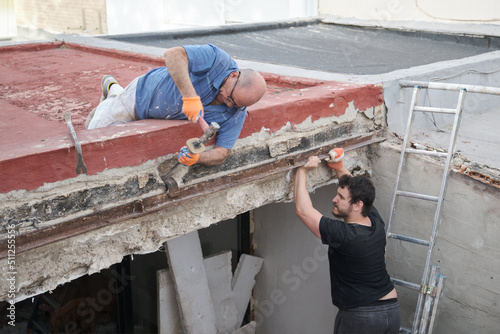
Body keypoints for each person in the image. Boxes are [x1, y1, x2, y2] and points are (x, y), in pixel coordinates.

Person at [85, 44, 267, 167]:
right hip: (141, 95)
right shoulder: (216, 59)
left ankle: (115, 90)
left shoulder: (236, 112)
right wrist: (189, 97)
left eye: (236, 105)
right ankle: (114, 95)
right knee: (92, 134)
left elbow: (222, 153)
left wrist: (197, 157)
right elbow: (172, 54)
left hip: (159, 114)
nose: (229, 104)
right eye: (230, 98)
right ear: (234, 75)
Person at [293, 148, 400, 334]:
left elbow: (303, 210)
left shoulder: (344, 236)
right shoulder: (375, 222)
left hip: (362, 316)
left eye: (340, 197)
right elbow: (357, 191)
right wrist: (339, 167)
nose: (334, 199)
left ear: (357, 205)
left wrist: (301, 171)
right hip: (391, 311)